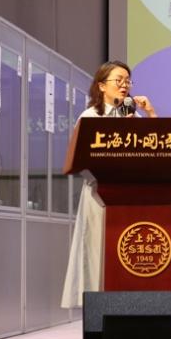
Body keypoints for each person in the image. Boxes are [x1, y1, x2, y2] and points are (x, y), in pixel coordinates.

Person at [61, 60, 157, 308]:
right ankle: (100, 308)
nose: (124, 85)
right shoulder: (90, 117)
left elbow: (158, 147)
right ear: (102, 86)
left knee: (128, 252)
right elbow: (80, 159)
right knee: (98, 252)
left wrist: (150, 114)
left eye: (128, 81)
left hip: (131, 196)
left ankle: (130, 305)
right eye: (119, 80)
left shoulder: (131, 115)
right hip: (101, 195)